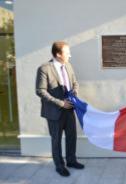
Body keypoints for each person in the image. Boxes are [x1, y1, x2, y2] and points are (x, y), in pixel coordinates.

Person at [36, 41, 84, 177]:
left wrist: (74, 92)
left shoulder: (68, 65)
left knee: (71, 137)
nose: (70, 55)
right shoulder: (44, 68)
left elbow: (75, 82)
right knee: (56, 140)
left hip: (69, 109)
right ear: (58, 54)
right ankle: (59, 166)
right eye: (67, 53)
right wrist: (61, 103)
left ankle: (71, 161)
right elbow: (40, 91)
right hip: (54, 112)